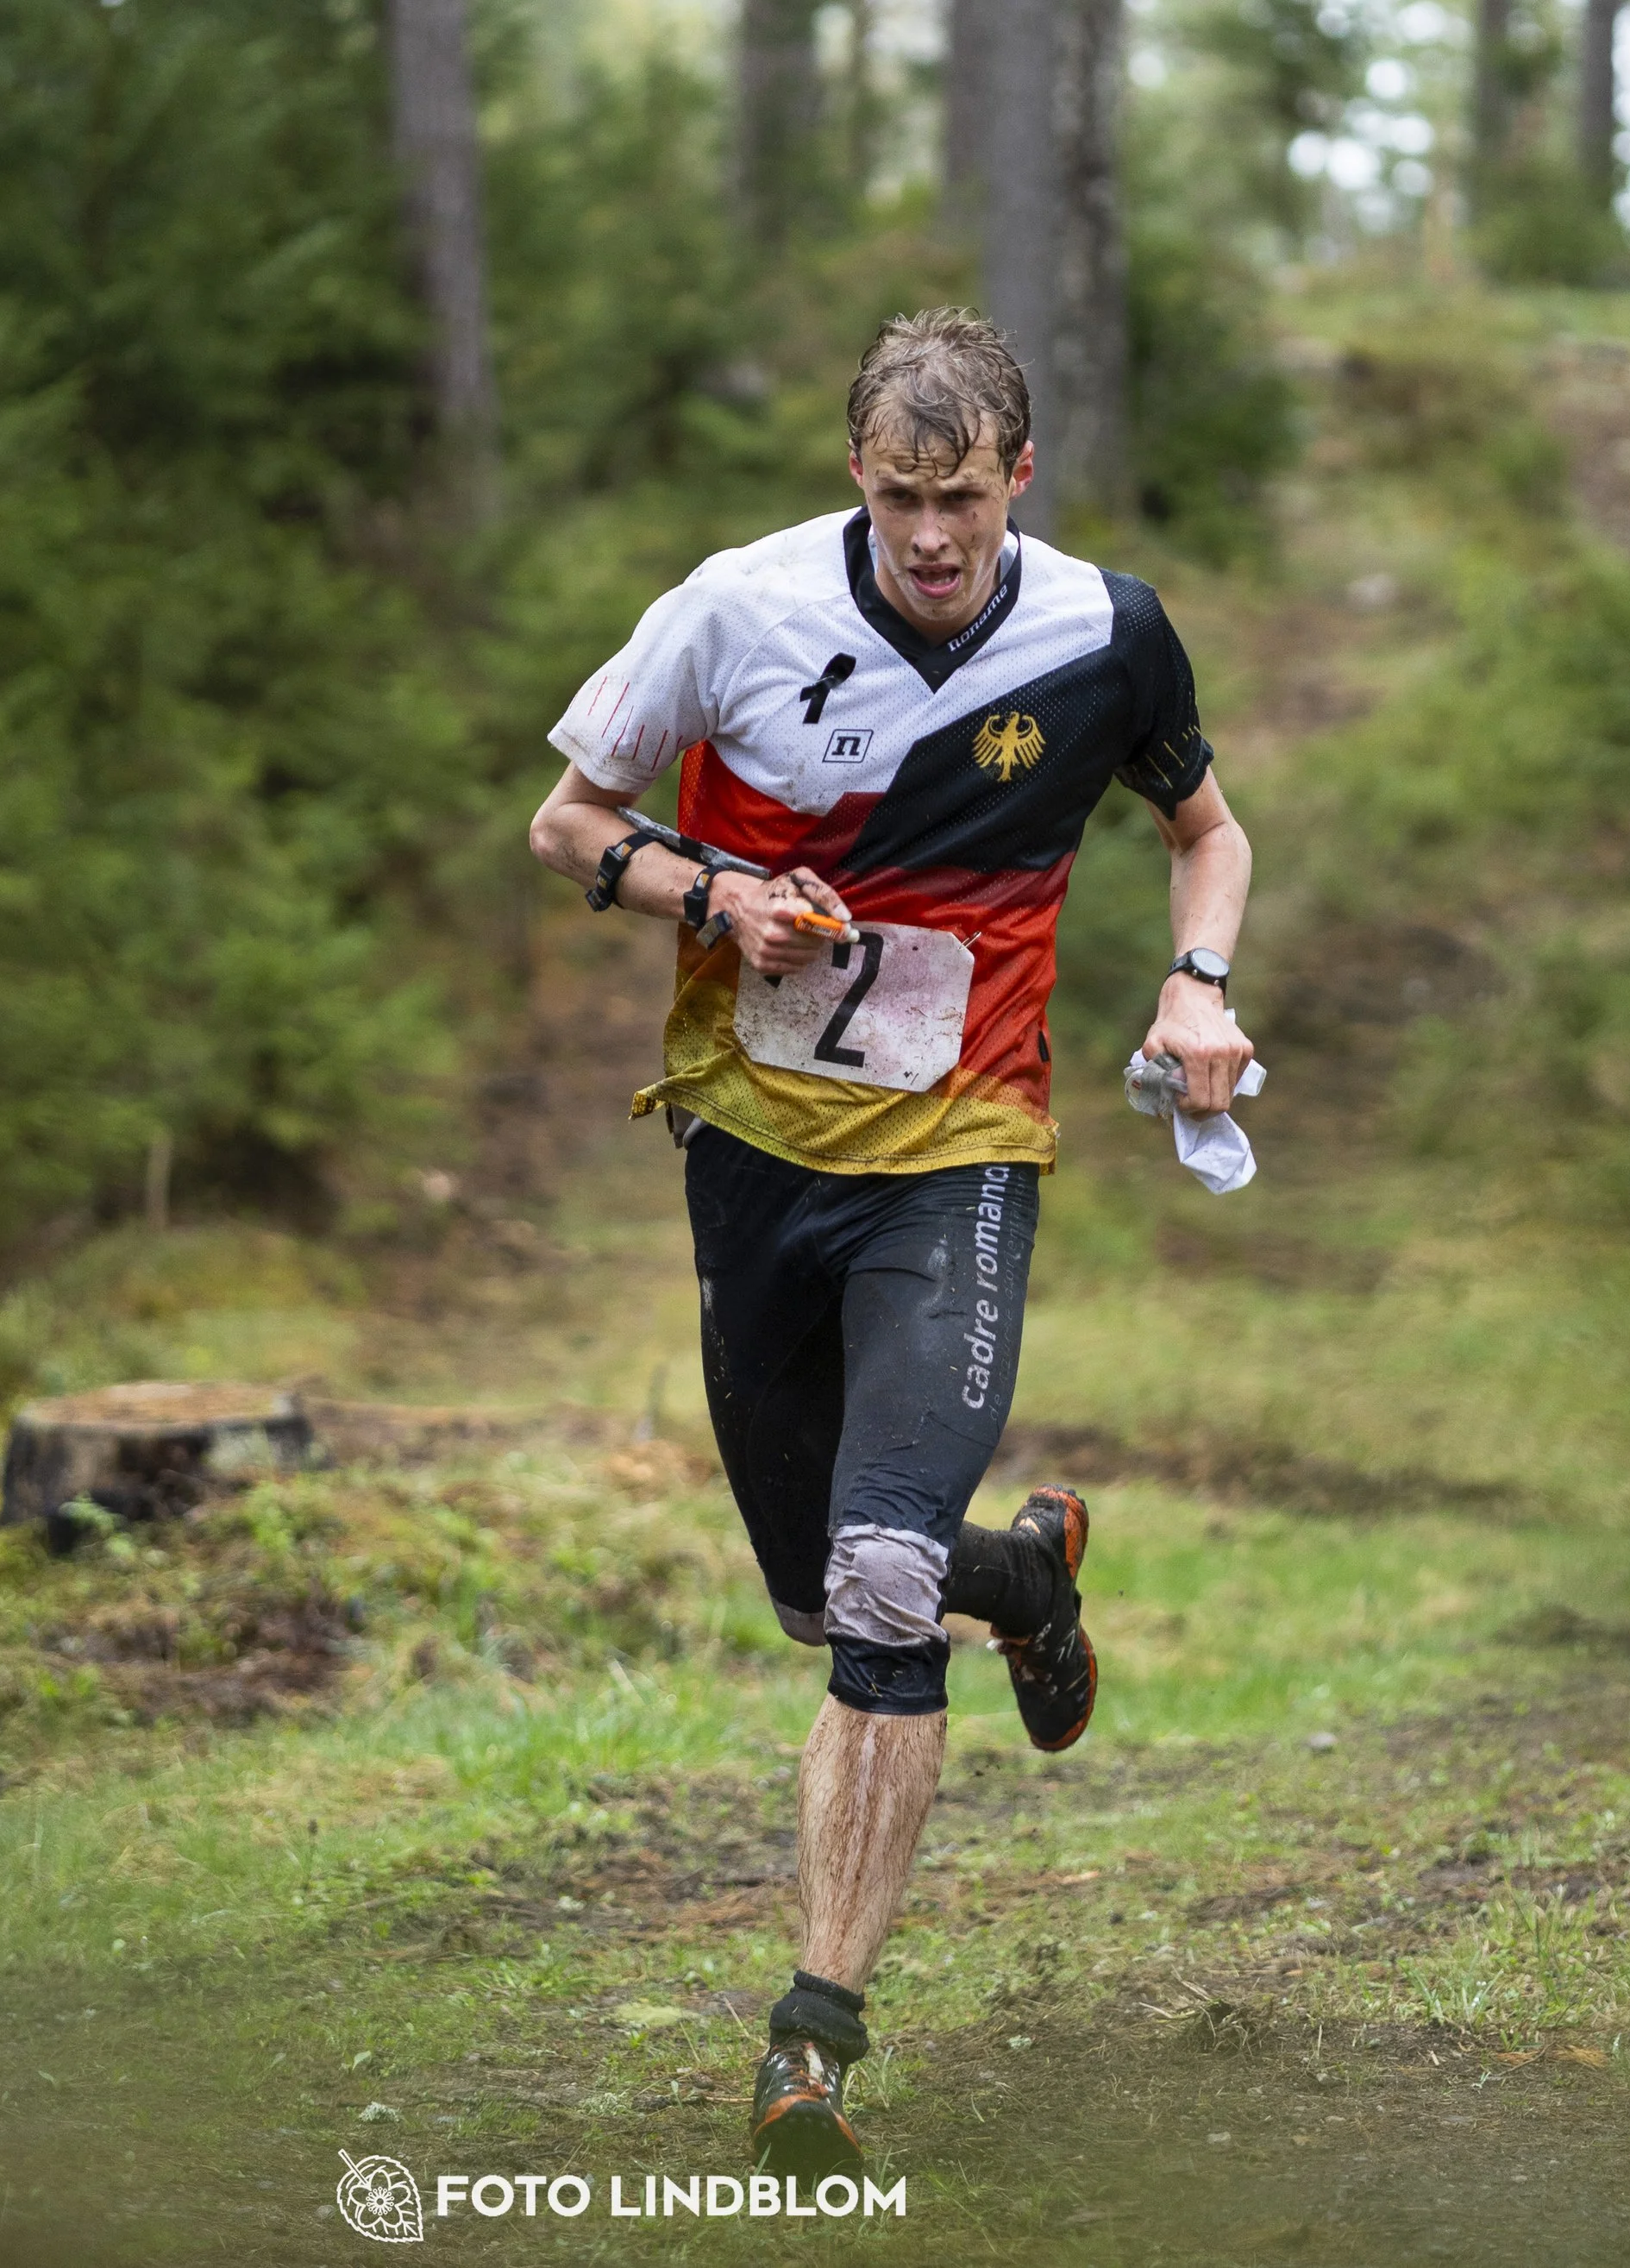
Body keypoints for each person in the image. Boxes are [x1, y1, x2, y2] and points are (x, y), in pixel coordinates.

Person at [528, 309, 1252, 2181]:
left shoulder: (1103, 630)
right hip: (751, 1151)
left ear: (1019, 472)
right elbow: (566, 817)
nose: (931, 537)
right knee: (821, 1580)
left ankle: (809, 2040)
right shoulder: (734, 608)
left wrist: (1192, 986)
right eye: (897, 495)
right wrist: (712, 894)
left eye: (963, 497)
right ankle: (1021, 1579)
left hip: (962, 1149)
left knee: (866, 1578)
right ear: (855, 474)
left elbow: (1205, 829)